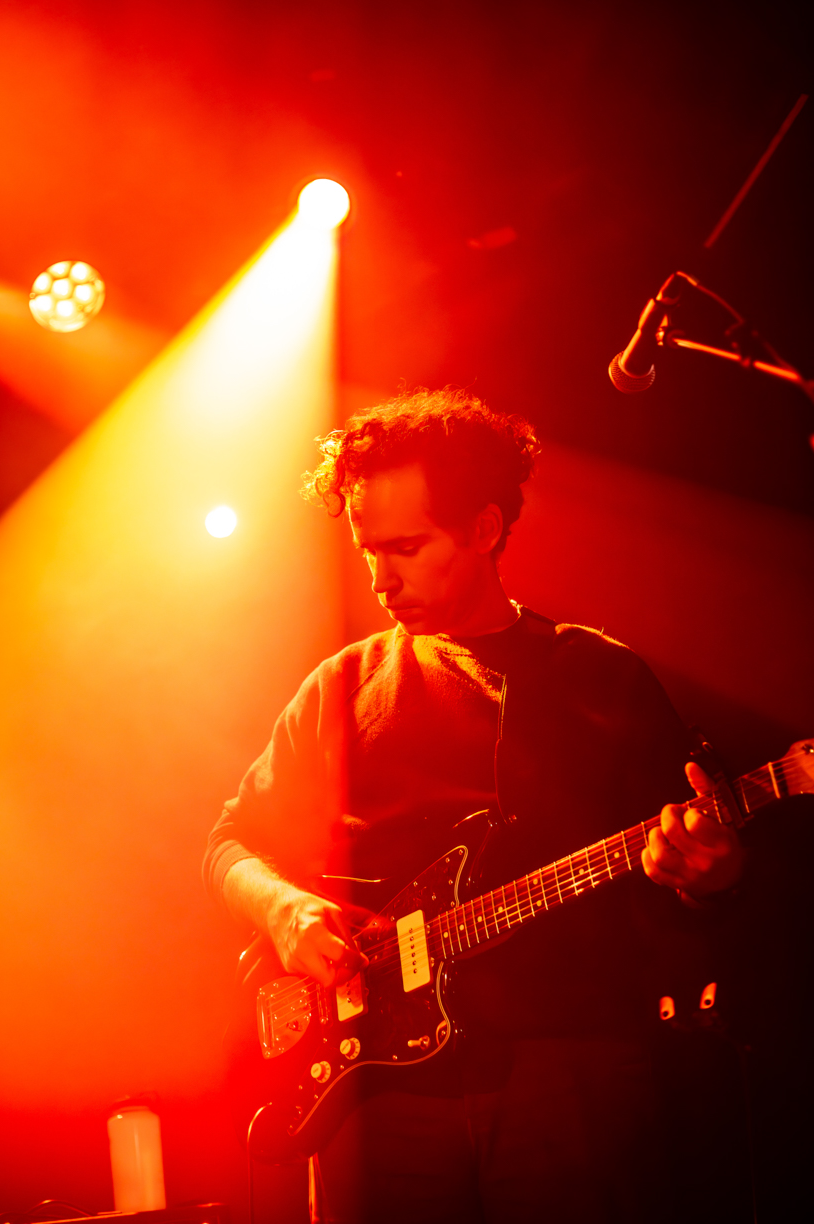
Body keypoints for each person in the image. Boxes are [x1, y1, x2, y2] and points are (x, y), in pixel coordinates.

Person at [204, 389, 744, 1224]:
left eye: (407, 548)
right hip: (375, 1099)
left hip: (568, 1074)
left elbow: (695, 879)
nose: (380, 579)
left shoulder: (602, 678)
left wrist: (710, 875)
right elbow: (231, 845)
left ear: (485, 529)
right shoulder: (341, 688)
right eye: (367, 550)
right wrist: (285, 911)